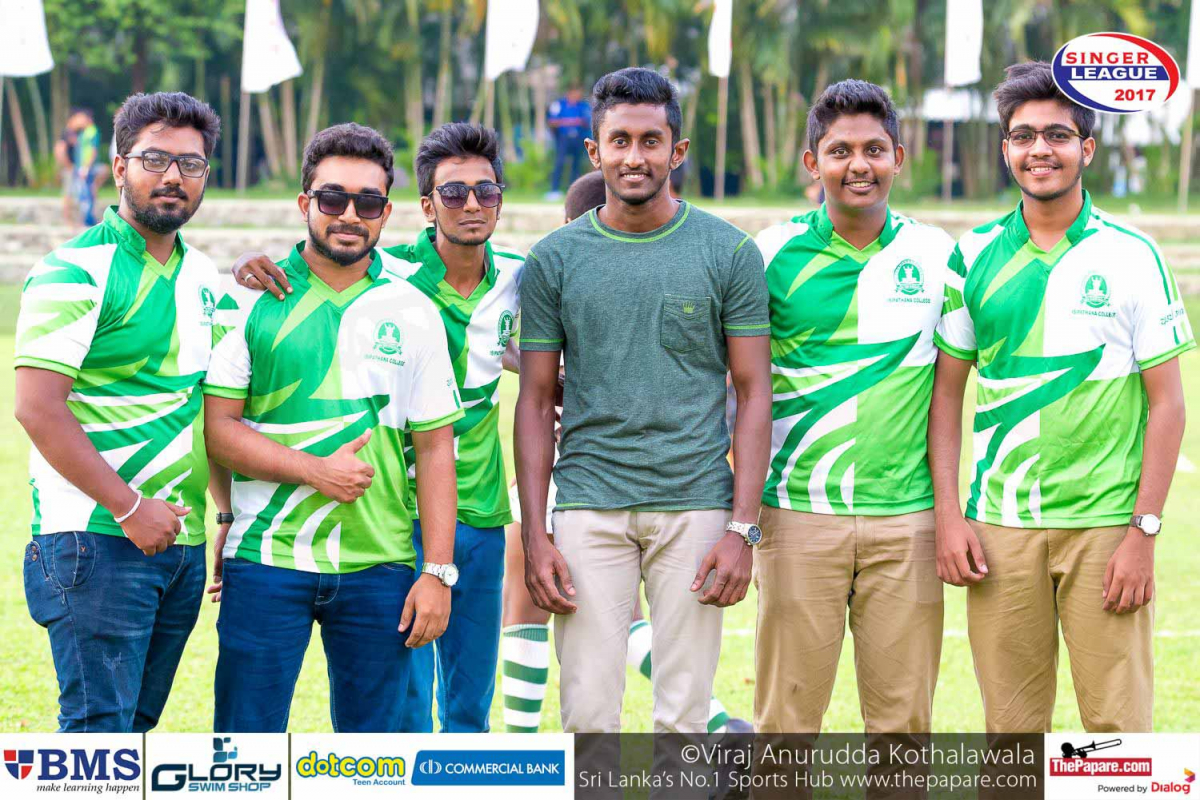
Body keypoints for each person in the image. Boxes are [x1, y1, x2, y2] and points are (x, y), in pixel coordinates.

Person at [231, 123, 521, 733]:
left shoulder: (522, 276)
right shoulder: (392, 271)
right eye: (453, 192)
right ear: (425, 206)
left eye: (486, 191)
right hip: (391, 514)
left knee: (468, 703)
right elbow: (328, 246)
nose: (471, 204)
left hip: (479, 506)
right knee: (400, 711)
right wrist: (247, 265)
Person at [929, 62, 1193, 733]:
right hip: (1000, 529)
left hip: (1105, 528)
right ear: (1005, 149)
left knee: (1117, 737)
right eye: (1023, 136)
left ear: (1087, 148)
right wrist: (950, 517)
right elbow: (946, 397)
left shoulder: (1134, 255)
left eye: (1056, 135)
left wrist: (1142, 533)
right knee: (1012, 735)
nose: (1039, 149)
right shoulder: (973, 254)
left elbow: (1168, 405)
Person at [515, 67, 772, 746]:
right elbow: (535, 400)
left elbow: (754, 393)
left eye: (651, 141)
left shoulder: (728, 252)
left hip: (696, 507)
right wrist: (537, 533)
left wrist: (742, 529)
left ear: (677, 150)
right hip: (588, 506)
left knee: (684, 720)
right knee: (587, 718)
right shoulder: (554, 260)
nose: (635, 156)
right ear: (594, 151)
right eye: (620, 141)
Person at [14, 92, 222, 732]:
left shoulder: (205, 277)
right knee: (97, 734)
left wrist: (223, 517)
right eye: (155, 159)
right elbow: (37, 408)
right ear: (119, 165)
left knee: (135, 730)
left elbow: (204, 407)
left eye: (191, 164)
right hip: (95, 539)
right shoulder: (74, 270)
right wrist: (130, 508)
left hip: (180, 543)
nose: (173, 176)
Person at [752, 80, 953, 736]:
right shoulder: (769, 254)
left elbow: (953, 389)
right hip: (796, 516)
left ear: (899, 157)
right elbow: (736, 386)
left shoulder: (937, 255)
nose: (858, 165)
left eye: (874, 149)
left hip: (908, 521)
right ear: (813, 163)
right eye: (840, 151)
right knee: (785, 725)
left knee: (904, 727)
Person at [545, 85, 590, 200]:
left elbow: (587, 121)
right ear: (569, 93)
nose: (577, 95)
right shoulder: (558, 105)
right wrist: (572, 121)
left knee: (576, 165)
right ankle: (554, 190)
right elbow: (552, 122)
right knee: (559, 163)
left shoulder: (583, 106)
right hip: (563, 138)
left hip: (578, 138)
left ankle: (574, 191)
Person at [71, 108, 102, 227]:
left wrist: (86, 168)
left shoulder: (92, 131)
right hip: (81, 167)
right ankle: (86, 218)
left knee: (86, 194)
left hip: (86, 168)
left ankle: (89, 219)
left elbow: (93, 151)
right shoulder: (84, 132)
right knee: (82, 194)